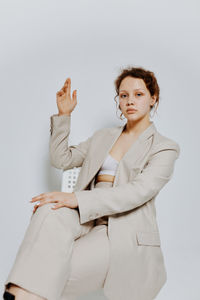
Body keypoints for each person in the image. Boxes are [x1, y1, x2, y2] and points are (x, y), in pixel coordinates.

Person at [3, 67, 180, 300]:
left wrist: (75, 198)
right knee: (47, 210)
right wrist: (64, 115)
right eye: (124, 95)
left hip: (121, 229)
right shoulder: (103, 137)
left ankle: (14, 295)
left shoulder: (164, 147)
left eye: (139, 94)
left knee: (50, 271)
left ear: (152, 98)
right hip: (84, 218)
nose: (130, 101)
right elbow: (62, 159)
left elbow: (137, 192)